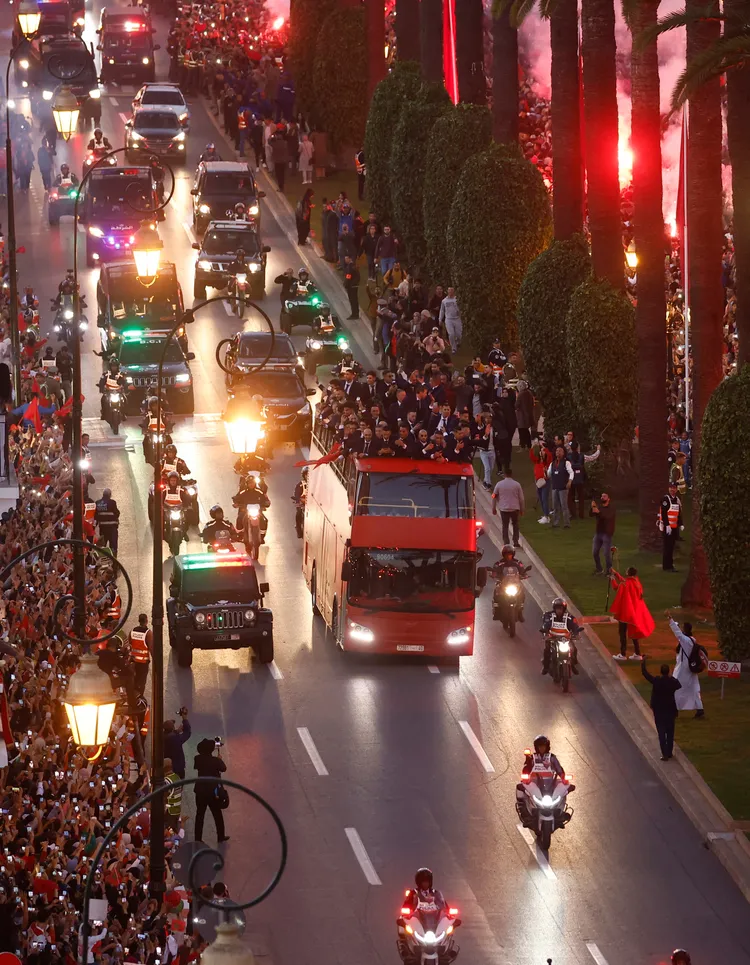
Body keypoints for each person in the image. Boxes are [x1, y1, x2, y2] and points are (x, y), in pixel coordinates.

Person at [641, 656, 682, 760]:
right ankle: (669, 752)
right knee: (670, 733)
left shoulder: (657, 681)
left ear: (660, 671)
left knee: (661, 734)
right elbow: (679, 685)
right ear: (668, 672)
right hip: (670, 711)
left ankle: (664, 754)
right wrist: (670, 678)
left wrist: (643, 662)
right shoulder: (672, 682)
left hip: (659, 711)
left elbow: (645, 674)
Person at [666, 610, 706, 718]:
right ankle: (700, 709)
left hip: (683, 669)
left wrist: (670, 619)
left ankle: (674, 710)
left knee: (675, 688)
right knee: (694, 689)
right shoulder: (692, 640)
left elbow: (677, 633)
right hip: (691, 668)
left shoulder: (685, 641)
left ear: (685, 630)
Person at [609, 567, 654, 660]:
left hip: (625, 612)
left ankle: (623, 654)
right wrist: (616, 574)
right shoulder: (636, 582)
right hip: (634, 612)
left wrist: (612, 579)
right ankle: (637, 653)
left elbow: (616, 588)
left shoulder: (625, 584)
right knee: (633, 633)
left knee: (622, 633)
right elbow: (624, 581)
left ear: (628, 573)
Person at [194, 737, 229, 843]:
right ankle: (220, 836)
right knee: (217, 814)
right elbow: (223, 768)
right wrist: (219, 759)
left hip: (200, 791)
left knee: (200, 815)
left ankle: (198, 839)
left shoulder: (197, 759)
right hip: (213, 792)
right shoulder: (215, 761)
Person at [540, 597, 580, 674]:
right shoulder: (548, 616)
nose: (559, 610)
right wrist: (545, 634)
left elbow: (575, 626)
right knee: (547, 650)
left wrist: (576, 634)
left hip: (566, 639)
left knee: (574, 649)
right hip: (552, 638)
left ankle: (573, 665)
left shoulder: (569, 617)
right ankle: (545, 667)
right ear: (554, 608)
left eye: (561, 608)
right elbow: (545, 625)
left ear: (564, 609)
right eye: (557, 608)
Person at [491, 468, 524, 547]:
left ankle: (506, 542)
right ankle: (515, 541)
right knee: (515, 524)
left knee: (505, 525)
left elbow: (493, 496)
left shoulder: (499, 484)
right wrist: (522, 509)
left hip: (504, 508)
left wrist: (493, 507)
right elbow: (521, 498)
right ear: (511, 474)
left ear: (504, 475)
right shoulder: (517, 484)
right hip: (515, 508)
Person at [659, 482, 683, 571]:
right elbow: (664, 513)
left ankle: (670, 565)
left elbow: (679, 513)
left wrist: (681, 524)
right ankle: (666, 566)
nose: (672, 489)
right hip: (667, 528)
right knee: (667, 547)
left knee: (671, 547)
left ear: (676, 489)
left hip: (674, 527)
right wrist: (667, 525)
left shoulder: (677, 499)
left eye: (674, 488)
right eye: (671, 488)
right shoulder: (666, 499)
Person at [547, 446, 573, 528]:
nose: (558, 452)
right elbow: (549, 474)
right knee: (555, 506)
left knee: (564, 506)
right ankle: (555, 523)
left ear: (563, 453)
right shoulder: (552, 464)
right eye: (557, 451)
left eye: (560, 451)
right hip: (555, 487)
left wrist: (569, 481)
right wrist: (545, 473)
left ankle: (567, 523)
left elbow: (571, 472)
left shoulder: (566, 463)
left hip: (563, 488)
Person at [590, 492, 616, 575]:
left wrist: (598, 512)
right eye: (601, 496)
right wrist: (592, 507)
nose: (602, 497)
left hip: (607, 533)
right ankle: (599, 569)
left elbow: (606, 517)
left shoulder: (611, 508)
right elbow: (591, 514)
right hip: (598, 533)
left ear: (608, 499)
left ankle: (609, 570)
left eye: (604, 496)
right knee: (595, 552)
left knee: (606, 553)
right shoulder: (599, 507)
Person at [128, 613, 152, 696]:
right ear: (146, 621)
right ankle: (139, 698)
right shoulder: (148, 633)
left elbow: (129, 645)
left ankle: (133, 697)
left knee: (134, 681)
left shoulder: (132, 631)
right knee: (141, 683)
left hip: (133, 661)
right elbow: (152, 648)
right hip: (143, 663)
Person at [163, 708, 191, 778]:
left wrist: (176, 732)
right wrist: (184, 718)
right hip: (178, 769)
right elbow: (187, 733)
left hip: (166, 768)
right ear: (172, 728)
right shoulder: (176, 739)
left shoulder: (161, 738)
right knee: (178, 785)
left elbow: (168, 735)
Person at [95, 487, 120, 555]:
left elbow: (96, 516)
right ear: (109, 495)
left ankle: (104, 560)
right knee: (113, 547)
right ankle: (114, 562)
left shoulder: (97, 503)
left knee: (102, 547)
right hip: (112, 529)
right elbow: (117, 513)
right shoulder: (112, 502)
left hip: (103, 529)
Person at [438, 286, 462, 354]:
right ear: (447, 291)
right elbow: (442, 310)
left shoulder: (457, 299)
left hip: (457, 319)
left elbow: (461, 308)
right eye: (449, 290)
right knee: (451, 334)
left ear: (453, 291)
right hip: (448, 319)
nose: (450, 292)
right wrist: (440, 319)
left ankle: (458, 342)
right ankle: (453, 348)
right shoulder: (444, 301)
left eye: (452, 290)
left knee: (459, 335)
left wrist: (459, 312)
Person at [163, 757, 183, 831]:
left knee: (168, 831)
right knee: (174, 829)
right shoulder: (176, 777)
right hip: (177, 809)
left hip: (169, 811)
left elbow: (164, 797)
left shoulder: (166, 781)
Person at [343, 254, 360, 319]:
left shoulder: (350, 267)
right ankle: (356, 313)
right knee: (355, 300)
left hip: (351, 286)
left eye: (346, 258)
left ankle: (354, 314)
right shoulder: (353, 265)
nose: (345, 260)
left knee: (353, 300)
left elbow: (348, 276)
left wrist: (345, 284)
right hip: (354, 285)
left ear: (350, 259)